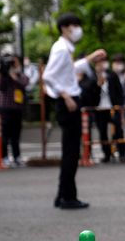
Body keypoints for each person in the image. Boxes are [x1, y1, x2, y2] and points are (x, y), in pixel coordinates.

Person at [42, 13, 107, 209]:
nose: (77, 29)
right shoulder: (61, 49)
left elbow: (69, 70)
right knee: (71, 152)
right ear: (64, 28)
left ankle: (63, 195)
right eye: (74, 25)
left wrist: (90, 58)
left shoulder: (63, 48)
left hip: (68, 103)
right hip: (68, 104)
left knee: (70, 152)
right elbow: (48, 76)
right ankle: (67, 197)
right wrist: (66, 96)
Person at [0, 53, 28, 167]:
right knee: (5, 134)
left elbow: (24, 83)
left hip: (17, 108)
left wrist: (14, 74)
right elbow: (1, 87)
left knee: (16, 134)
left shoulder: (20, 74)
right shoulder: (3, 75)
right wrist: (3, 73)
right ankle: (4, 156)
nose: (13, 64)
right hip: (5, 108)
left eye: (15, 62)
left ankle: (17, 157)